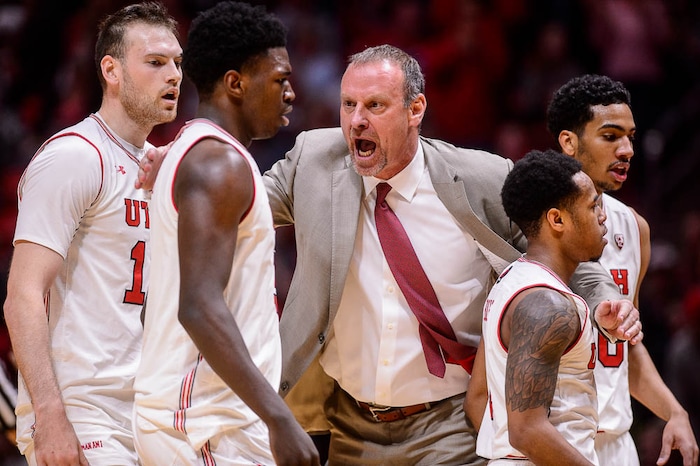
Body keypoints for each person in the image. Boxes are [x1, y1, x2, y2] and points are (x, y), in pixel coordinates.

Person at [136, 44, 642, 465]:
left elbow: (566, 235)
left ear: (415, 110)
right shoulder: (315, 160)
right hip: (346, 422)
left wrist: (602, 300)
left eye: (375, 106)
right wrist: (182, 162)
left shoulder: (482, 176)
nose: (355, 121)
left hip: (449, 424)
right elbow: (238, 199)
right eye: (348, 105)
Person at [131, 2, 319, 465]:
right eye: (279, 79)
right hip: (207, 426)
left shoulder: (197, 152)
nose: (291, 93)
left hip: (199, 418)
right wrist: (279, 418)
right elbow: (199, 306)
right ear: (236, 83)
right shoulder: (219, 165)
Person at [2, 2, 181, 464]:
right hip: (85, 415)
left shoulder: (161, 168)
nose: (174, 75)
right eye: (156, 63)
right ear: (112, 70)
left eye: (178, 63)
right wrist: (49, 414)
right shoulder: (75, 156)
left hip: (147, 411)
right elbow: (22, 295)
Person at [546, 74, 698, 466]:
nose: (627, 149)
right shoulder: (526, 226)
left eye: (630, 136)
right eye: (610, 136)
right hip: (546, 444)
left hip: (616, 446)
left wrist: (674, 412)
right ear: (569, 142)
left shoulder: (635, 228)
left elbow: (626, 349)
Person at [473, 149, 609, 465]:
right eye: (593, 206)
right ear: (557, 219)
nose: (603, 216)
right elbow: (526, 431)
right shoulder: (547, 304)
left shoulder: (510, 281)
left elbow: (477, 398)